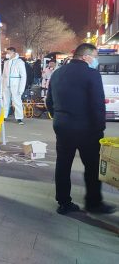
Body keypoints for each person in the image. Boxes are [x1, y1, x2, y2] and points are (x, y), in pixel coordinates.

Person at [46, 43, 116, 215]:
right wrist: (100, 129)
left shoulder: (57, 73)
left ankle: (63, 203)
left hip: (62, 126)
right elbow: (97, 104)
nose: (96, 60)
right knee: (92, 167)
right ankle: (93, 203)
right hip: (87, 129)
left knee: (63, 164)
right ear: (86, 57)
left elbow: (49, 101)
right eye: (95, 56)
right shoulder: (91, 74)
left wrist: (59, 117)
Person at [2, 47, 27, 124]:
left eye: (8, 52)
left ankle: (19, 117)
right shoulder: (6, 63)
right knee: (5, 100)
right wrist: (2, 86)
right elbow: (3, 75)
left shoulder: (19, 62)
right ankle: (4, 115)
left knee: (17, 101)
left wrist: (21, 88)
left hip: (16, 84)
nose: (7, 54)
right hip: (6, 84)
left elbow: (23, 76)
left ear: (13, 52)